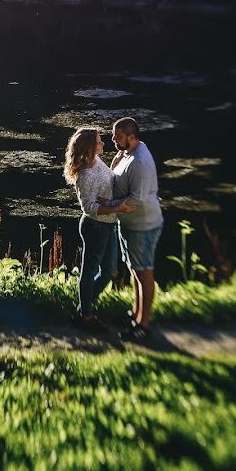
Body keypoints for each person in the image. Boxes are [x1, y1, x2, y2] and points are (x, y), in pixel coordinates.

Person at [63, 128, 137, 332]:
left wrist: (119, 160)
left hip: (109, 224)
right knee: (90, 271)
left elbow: (110, 179)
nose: (103, 143)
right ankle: (85, 315)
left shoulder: (96, 161)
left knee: (109, 272)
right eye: (99, 141)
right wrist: (117, 207)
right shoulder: (86, 174)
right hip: (96, 227)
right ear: (90, 147)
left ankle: (82, 310)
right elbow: (89, 208)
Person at [109, 117, 164, 341]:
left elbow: (137, 199)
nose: (113, 139)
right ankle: (136, 312)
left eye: (118, 136)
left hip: (143, 224)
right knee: (135, 270)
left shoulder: (139, 160)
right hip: (130, 222)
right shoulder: (128, 152)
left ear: (131, 137)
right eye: (113, 135)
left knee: (144, 271)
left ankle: (143, 324)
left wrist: (107, 206)